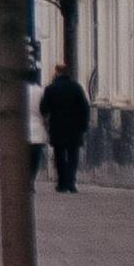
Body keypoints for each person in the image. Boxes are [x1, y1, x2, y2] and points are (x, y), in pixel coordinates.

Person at [39, 59, 90, 195]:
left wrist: (48, 119)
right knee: (73, 156)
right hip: (74, 128)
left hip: (57, 127)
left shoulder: (51, 88)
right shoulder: (76, 87)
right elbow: (85, 108)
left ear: (56, 72)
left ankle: (62, 183)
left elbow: (44, 108)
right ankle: (71, 183)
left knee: (60, 155)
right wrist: (83, 125)